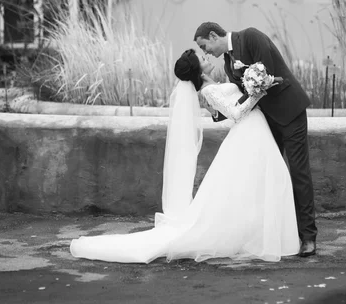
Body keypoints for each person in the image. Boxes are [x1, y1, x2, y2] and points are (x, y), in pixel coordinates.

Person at [70, 49, 299, 263]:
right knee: (268, 179)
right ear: (198, 69)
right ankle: (263, 238)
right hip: (248, 132)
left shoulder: (213, 85)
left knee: (262, 183)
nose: (207, 58)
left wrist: (255, 87)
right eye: (202, 59)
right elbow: (237, 113)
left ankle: (260, 234)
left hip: (254, 131)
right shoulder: (208, 91)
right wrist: (258, 92)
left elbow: (226, 111)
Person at [194, 22, 317, 257]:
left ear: (212, 35)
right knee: (270, 176)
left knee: (299, 174)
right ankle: (278, 234)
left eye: (205, 46)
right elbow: (243, 97)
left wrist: (256, 85)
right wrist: (218, 111)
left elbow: (268, 75)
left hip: (290, 113)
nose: (206, 52)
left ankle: (309, 237)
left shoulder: (250, 37)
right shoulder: (230, 64)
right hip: (267, 121)